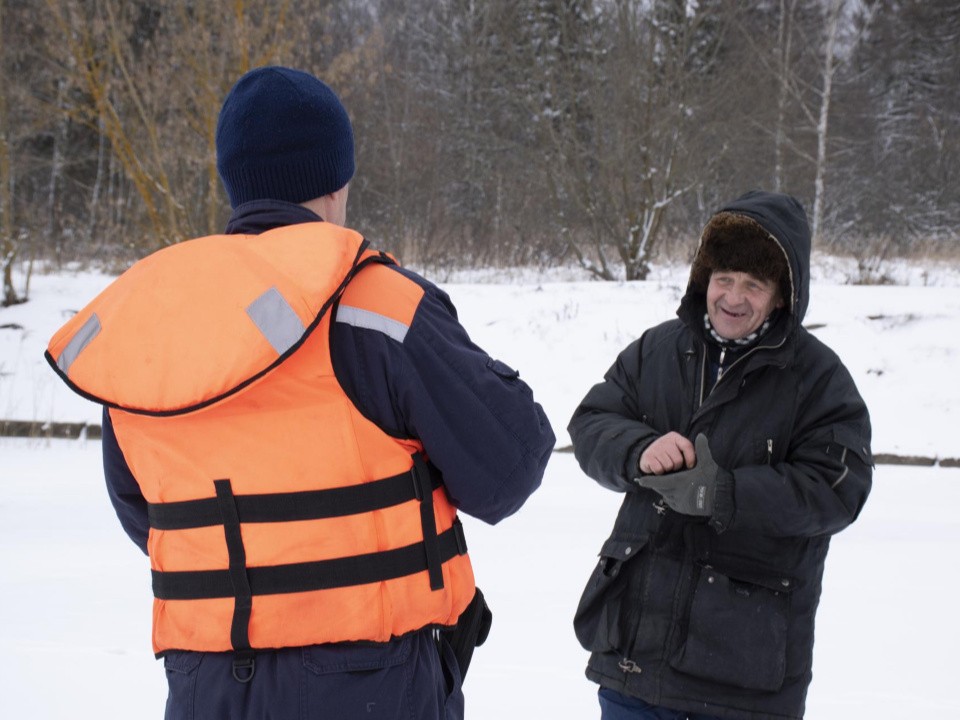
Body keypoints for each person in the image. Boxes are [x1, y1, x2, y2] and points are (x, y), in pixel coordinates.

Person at [46, 66, 555, 720]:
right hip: (374, 684)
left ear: (233, 180)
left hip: (206, 687)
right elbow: (507, 469)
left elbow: (148, 517)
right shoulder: (379, 307)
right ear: (337, 180)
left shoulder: (152, 325)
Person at [568, 190, 872, 720]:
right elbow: (592, 423)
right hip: (631, 663)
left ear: (782, 297)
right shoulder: (657, 350)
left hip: (740, 682)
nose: (733, 297)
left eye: (754, 284)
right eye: (724, 279)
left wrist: (724, 493)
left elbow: (837, 489)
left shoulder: (819, 380)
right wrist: (639, 448)